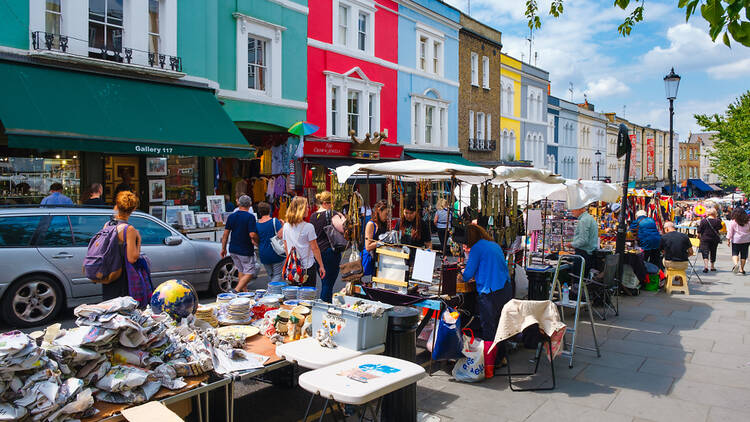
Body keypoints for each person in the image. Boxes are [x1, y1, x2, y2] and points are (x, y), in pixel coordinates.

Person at [460, 224, 512, 379]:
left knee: (488, 328)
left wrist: (461, 271)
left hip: (490, 293)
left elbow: (467, 275)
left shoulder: (476, 248)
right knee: (500, 326)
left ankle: (489, 368)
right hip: (505, 289)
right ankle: (500, 359)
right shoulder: (494, 245)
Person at [102, 191, 142, 301]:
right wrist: (139, 241)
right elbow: (132, 258)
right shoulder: (129, 230)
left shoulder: (107, 224)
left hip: (109, 274)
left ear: (117, 205)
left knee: (110, 309)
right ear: (133, 209)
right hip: (123, 277)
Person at [310, 191, 345, 302]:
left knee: (324, 281)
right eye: (331, 203)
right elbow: (343, 228)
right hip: (330, 251)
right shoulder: (332, 214)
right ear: (325, 203)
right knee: (328, 283)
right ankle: (324, 305)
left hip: (318, 252)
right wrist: (342, 216)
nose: (332, 205)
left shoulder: (313, 216)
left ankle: (324, 303)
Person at [283, 196, 325, 287]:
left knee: (294, 296)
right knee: (308, 297)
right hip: (307, 267)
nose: (308, 209)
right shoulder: (308, 227)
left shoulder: (286, 226)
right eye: (306, 207)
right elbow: (315, 248)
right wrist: (321, 266)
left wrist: (292, 260)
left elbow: (286, 246)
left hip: (293, 267)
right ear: (301, 210)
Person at [221, 195, 259, 292]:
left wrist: (223, 248)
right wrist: (257, 241)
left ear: (238, 203)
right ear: (250, 204)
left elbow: (225, 234)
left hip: (233, 248)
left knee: (241, 270)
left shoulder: (232, 216)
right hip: (245, 249)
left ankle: (244, 292)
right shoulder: (250, 217)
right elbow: (252, 234)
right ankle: (237, 290)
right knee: (250, 272)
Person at [256, 201, 285, 283]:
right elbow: (280, 235)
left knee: (270, 275)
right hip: (276, 252)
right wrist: (283, 225)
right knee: (278, 274)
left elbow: (255, 237)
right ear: (269, 210)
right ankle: (271, 291)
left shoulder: (256, 223)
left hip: (263, 252)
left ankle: (273, 292)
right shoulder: (274, 221)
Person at [567, 205, 598, 277]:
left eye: (574, 209)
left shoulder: (584, 220)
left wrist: (571, 244)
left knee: (578, 281)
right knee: (583, 280)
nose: (572, 211)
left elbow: (583, 240)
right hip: (589, 254)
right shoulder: (590, 218)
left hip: (584, 255)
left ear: (580, 209)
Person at [697, 207, 723, 272]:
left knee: (705, 252)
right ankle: (712, 266)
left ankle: (706, 266)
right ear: (715, 213)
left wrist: (699, 236)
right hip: (714, 239)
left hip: (705, 239)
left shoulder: (703, 221)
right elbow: (720, 227)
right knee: (713, 252)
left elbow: (699, 230)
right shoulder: (717, 221)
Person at [727, 208, 750, 275]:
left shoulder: (733, 222)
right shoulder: (748, 221)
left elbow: (730, 232)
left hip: (736, 240)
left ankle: (736, 264)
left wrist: (728, 240)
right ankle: (741, 269)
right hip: (746, 240)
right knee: (744, 255)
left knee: (735, 253)